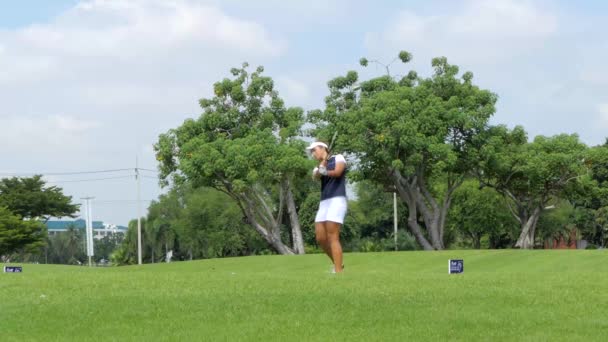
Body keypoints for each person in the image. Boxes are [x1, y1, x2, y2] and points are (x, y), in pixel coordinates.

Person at [306, 141, 347, 273]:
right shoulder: (317, 167)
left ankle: (338, 271)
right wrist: (322, 164)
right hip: (324, 203)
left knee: (332, 236)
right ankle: (338, 264)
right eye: (311, 151)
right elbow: (316, 175)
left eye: (314, 150)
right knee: (321, 238)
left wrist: (326, 171)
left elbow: (338, 172)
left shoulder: (338, 158)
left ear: (323, 148)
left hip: (337, 200)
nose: (312, 153)